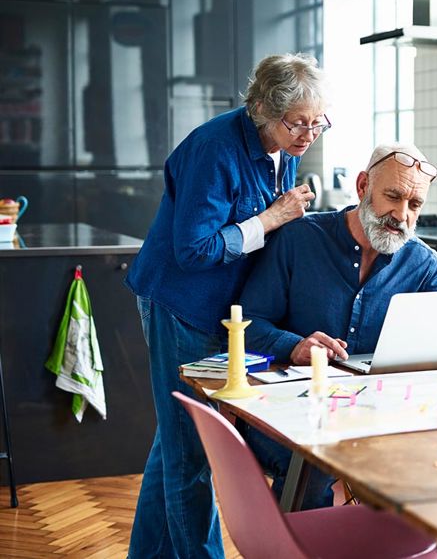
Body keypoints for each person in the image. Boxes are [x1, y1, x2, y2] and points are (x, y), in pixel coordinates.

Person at [125, 52, 331, 559]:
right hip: (182, 303)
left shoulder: (287, 144)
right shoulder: (215, 149)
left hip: (224, 311)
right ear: (262, 110)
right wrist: (272, 217)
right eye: (296, 123)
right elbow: (192, 250)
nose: (308, 135)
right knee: (191, 452)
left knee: (175, 445)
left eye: (317, 122)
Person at [238, 142, 437, 508]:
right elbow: (248, 323)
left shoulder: (421, 263)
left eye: (415, 205)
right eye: (393, 196)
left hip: (380, 415)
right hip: (291, 413)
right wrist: (294, 345)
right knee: (314, 464)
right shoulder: (299, 239)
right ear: (363, 185)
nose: (401, 215)